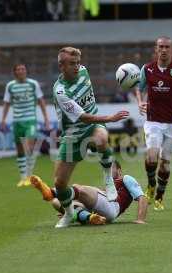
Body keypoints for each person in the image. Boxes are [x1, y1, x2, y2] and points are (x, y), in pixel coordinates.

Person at [51, 47, 129, 228]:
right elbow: (82, 117)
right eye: (72, 64)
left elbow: (89, 120)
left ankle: (108, 179)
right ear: (61, 66)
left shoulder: (84, 71)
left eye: (78, 62)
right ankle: (69, 214)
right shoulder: (60, 91)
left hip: (93, 127)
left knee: (101, 138)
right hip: (72, 135)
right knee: (60, 184)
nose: (77, 67)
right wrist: (109, 118)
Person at [136, 36, 172, 211]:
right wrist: (140, 102)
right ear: (156, 49)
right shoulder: (147, 69)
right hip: (153, 120)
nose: (163, 50)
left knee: (165, 162)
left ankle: (160, 196)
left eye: (167, 47)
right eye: (160, 46)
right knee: (152, 154)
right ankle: (151, 185)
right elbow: (139, 88)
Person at [30, 160, 148, 226]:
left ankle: (51, 192)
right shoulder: (108, 186)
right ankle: (86, 217)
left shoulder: (125, 179)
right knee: (57, 203)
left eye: (110, 167)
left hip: (113, 207)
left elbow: (142, 197)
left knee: (78, 188)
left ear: (119, 170)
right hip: (103, 214)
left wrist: (140, 219)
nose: (106, 170)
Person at [0, 63, 50, 187]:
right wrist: (3, 119)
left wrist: (46, 118)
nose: (22, 71)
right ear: (15, 72)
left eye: (23, 69)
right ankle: (23, 177)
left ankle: (29, 175)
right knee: (20, 150)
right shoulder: (10, 86)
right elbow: (6, 103)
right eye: (19, 69)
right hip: (17, 121)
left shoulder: (33, 84)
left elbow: (41, 101)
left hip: (30, 120)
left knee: (28, 146)